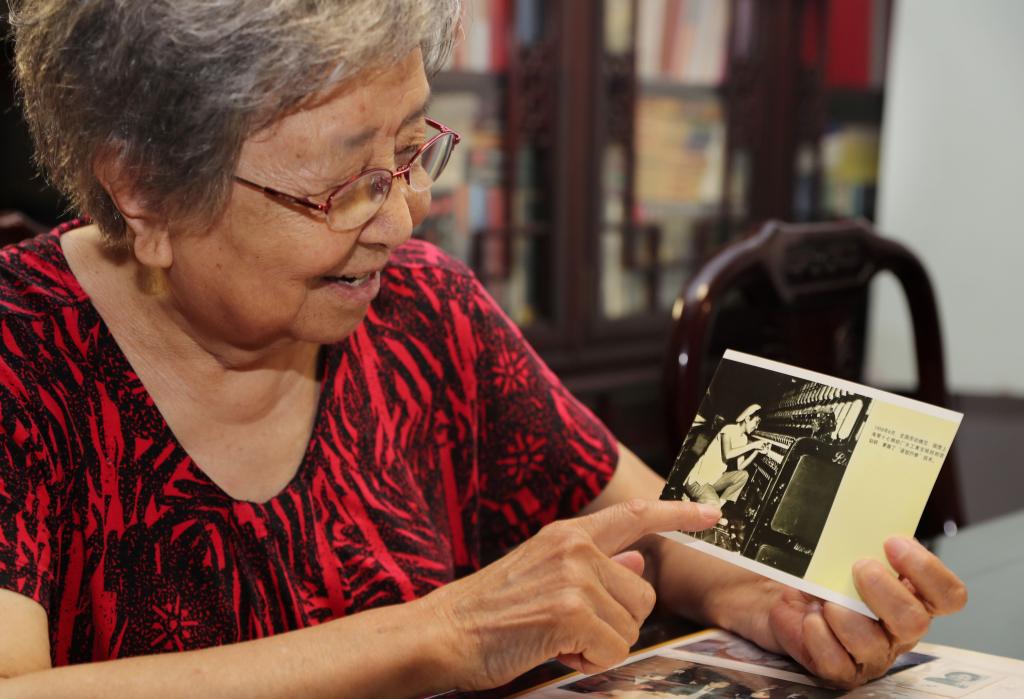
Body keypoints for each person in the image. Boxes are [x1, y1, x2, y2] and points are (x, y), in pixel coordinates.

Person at [0, 1, 967, 696]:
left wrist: (775, 603)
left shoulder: (421, 310)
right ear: (144, 190)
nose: (403, 216)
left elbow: (647, 524)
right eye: (344, 184)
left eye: (410, 152)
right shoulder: (21, 348)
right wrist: (448, 630)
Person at [684, 404, 771, 520]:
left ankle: (716, 507)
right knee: (712, 508)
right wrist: (753, 445)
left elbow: (740, 467)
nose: (756, 427)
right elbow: (728, 454)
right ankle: (700, 503)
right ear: (747, 418)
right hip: (698, 480)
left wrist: (757, 451)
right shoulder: (728, 429)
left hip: (714, 479)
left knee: (743, 475)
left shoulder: (743, 439)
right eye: (756, 422)